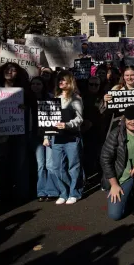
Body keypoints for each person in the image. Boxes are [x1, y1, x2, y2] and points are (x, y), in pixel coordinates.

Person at [46, 71, 84, 205]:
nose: (61, 82)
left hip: (72, 137)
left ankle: (75, 193)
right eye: (59, 80)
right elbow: (48, 119)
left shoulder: (76, 98)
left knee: (73, 167)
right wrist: (46, 136)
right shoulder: (54, 97)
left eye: (64, 80)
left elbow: (79, 119)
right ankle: (64, 192)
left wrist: (67, 125)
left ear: (70, 82)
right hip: (56, 138)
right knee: (57, 167)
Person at [0, 62, 31, 201]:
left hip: (19, 131)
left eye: (13, 70)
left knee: (20, 162)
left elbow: (31, 109)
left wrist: (25, 107)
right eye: (7, 69)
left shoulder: (24, 90)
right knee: (2, 162)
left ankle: (22, 192)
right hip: (1, 131)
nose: (10, 72)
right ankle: (4, 193)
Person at [30, 77, 58, 201]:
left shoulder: (50, 98)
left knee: (50, 164)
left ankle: (52, 191)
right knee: (40, 165)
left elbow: (52, 118)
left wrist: (47, 136)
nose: (36, 86)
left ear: (43, 85)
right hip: (35, 135)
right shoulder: (27, 99)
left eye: (38, 84)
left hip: (49, 134)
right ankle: (41, 191)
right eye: (33, 84)